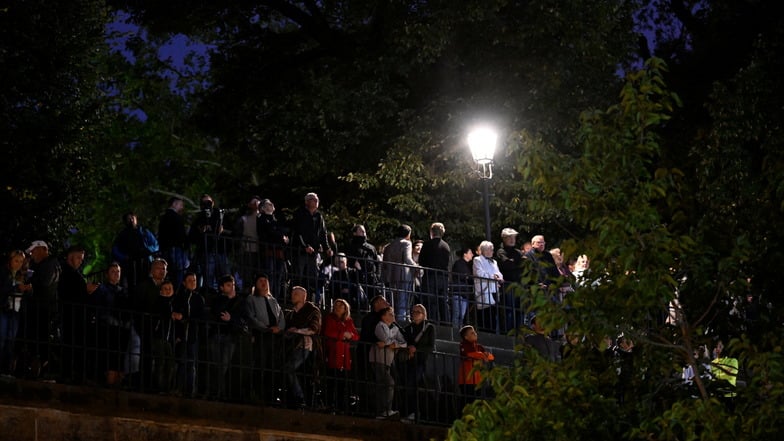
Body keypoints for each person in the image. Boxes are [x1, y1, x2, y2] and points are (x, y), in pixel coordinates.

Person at [57, 244, 100, 383]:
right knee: (72, 345)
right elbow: (69, 294)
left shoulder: (73, 273)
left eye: (82, 259)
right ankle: (69, 375)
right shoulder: (67, 273)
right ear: (71, 257)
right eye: (79, 258)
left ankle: (72, 374)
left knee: (76, 345)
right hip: (72, 316)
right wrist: (86, 291)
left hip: (77, 316)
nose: (81, 261)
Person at [245, 273, 285, 403]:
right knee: (260, 364)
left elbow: (281, 317)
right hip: (261, 335)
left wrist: (279, 328)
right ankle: (257, 394)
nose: (263, 283)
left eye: (265, 280)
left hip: (274, 337)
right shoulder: (251, 299)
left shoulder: (273, 300)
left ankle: (271, 396)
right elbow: (251, 317)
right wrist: (265, 328)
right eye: (260, 280)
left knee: (272, 366)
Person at [90, 262, 132, 386]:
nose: (116, 274)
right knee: (108, 357)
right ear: (107, 274)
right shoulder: (102, 289)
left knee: (119, 358)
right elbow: (97, 306)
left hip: (121, 329)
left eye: (118, 272)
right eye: (113, 271)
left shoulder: (123, 291)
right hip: (106, 328)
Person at [23, 240, 61, 380]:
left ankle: (41, 369)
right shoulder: (44, 265)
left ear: (43, 249)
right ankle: (38, 368)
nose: (32, 254)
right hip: (40, 308)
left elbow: (44, 283)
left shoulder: (51, 264)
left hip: (44, 309)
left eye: (34, 251)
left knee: (41, 340)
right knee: (37, 340)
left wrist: (31, 283)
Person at [208, 274, 249, 400]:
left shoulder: (241, 302)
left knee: (223, 365)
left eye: (232, 285)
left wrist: (231, 319)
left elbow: (243, 319)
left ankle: (219, 393)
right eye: (228, 285)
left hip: (230, 336)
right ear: (221, 287)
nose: (231, 287)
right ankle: (218, 392)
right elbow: (217, 313)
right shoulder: (218, 300)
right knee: (216, 365)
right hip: (217, 334)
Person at [283, 286, 321, 408]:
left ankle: (300, 398)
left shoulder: (312, 311)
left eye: (296, 294)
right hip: (292, 346)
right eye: (293, 293)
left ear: (304, 297)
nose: (293, 296)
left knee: (290, 368)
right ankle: (294, 399)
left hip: (305, 345)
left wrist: (297, 331)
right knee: (290, 370)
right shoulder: (290, 314)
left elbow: (313, 329)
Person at [290, 193, 333, 300]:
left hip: (313, 252)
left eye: (317, 199)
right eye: (313, 199)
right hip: (300, 250)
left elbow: (322, 233)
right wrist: (305, 246)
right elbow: (297, 232)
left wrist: (327, 247)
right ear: (307, 201)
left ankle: (308, 299)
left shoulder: (319, 216)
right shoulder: (300, 213)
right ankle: (294, 297)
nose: (316, 201)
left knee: (312, 276)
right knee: (298, 275)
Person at [172, 272, 205, 397]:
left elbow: (200, 317)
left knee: (191, 363)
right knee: (180, 361)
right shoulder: (179, 297)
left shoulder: (198, 298)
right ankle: (178, 388)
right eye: (190, 280)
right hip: (181, 335)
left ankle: (189, 391)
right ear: (184, 283)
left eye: (194, 280)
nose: (193, 282)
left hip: (192, 335)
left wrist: (185, 317)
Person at [400, 303, 435, 423]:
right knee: (408, 385)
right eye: (413, 311)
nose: (414, 314)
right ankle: (410, 412)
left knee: (413, 385)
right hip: (408, 361)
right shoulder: (408, 328)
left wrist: (417, 349)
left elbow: (430, 346)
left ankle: (414, 413)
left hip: (420, 361)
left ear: (424, 315)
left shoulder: (429, 328)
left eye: (418, 312)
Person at [370, 305, 407, 419]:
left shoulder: (395, 328)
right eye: (390, 314)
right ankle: (384, 410)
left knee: (384, 385)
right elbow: (384, 339)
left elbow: (404, 343)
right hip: (378, 358)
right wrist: (393, 343)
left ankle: (383, 411)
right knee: (388, 382)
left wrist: (394, 344)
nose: (393, 316)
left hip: (388, 360)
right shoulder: (380, 326)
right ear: (384, 317)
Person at [322, 298, 359, 411]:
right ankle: (329, 405)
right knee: (331, 380)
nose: (337, 307)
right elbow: (328, 332)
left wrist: (350, 336)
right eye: (336, 305)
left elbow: (356, 336)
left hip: (344, 354)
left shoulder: (348, 321)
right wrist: (343, 334)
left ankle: (340, 406)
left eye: (340, 306)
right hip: (333, 351)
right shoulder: (329, 318)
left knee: (343, 383)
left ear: (345, 308)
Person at [0, 250, 31, 376]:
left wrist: (27, 290)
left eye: (21, 261)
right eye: (16, 261)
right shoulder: (3, 273)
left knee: (11, 341)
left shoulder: (22, 276)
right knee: (2, 339)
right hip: (4, 309)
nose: (18, 264)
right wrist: (16, 288)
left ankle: (6, 369)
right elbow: (3, 290)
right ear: (10, 260)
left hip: (16, 311)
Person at [189, 194, 227, 290]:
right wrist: (201, 230)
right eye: (204, 203)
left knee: (224, 277)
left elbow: (231, 231)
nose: (207, 205)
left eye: (209, 202)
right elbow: (192, 236)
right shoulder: (199, 218)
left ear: (213, 203)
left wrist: (222, 230)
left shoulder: (220, 215)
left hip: (220, 251)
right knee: (208, 278)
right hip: (206, 252)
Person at [112, 212, 158, 290]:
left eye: (132, 217)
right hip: (130, 264)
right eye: (128, 219)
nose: (131, 220)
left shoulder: (144, 231)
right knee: (133, 285)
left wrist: (149, 250)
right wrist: (124, 257)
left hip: (146, 262)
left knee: (147, 282)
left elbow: (155, 245)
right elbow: (115, 250)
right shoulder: (122, 235)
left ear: (136, 219)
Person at [382, 224, 417, 323]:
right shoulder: (406, 243)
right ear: (408, 234)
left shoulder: (388, 246)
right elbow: (407, 259)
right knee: (403, 303)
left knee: (393, 302)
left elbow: (385, 262)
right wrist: (417, 266)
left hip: (391, 277)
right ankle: (402, 323)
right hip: (403, 276)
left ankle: (393, 321)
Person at [418, 222, 451, 324]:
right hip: (443, 277)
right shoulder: (446, 246)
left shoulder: (427, 245)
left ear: (431, 232)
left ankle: (432, 322)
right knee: (443, 302)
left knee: (430, 301)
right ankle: (446, 323)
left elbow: (421, 261)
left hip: (430, 276)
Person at [257, 198, 289, 301]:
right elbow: (270, 231)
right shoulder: (261, 218)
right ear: (262, 208)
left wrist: (281, 235)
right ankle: (269, 294)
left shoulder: (276, 219)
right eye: (268, 204)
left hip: (278, 250)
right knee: (269, 274)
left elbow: (282, 230)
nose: (271, 205)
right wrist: (281, 236)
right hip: (269, 250)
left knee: (279, 275)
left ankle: (276, 296)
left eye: (271, 203)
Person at [496, 228, 525, 333]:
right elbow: (507, 265)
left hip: (519, 285)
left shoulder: (518, 252)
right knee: (509, 309)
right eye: (509, 237)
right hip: (508, 285)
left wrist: (514, 263)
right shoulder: (501, 252)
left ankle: (519, 332)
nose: (512, 240)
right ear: (504, 239)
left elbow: (525, 265)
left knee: (520, 310)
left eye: (514, 237)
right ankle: (509, 332)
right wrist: (517, 264)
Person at [458, 325, 494, 405]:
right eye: (472, 333)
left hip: (478, 380)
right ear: (466, 337)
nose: (475, 334)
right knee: (467, 402)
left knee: (477, 403)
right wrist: (482, 355)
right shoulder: (463, 345)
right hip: (467, 380)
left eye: (474, 332)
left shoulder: (479, 347)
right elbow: (469, 354)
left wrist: (482, 355)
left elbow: (491, 357)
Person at [344, 224, 381, 304]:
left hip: (371, 276)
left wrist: (377, 274)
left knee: (375, 297)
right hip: (358, 276)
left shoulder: (371, 247)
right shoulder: (351, 246)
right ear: (355, 233)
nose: (364, 232)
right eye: (361, 231)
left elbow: (376, 261)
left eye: (364, 230)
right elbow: (349, 261)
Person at [151, 280, 177, 393]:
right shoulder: (159, 302)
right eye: (165, 289)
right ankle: (159, 388)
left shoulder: (174, 303)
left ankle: (166, 388)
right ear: (161, 290)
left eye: (169, 288)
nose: (168, 291)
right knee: (160, 363)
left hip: (169, 338)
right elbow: (160, 314)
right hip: (159, 336)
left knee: (170, 364)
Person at [158, 197, 190, 288]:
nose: (182, 207)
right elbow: (181, 234)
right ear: (174, 204)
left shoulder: (164, 217)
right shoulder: (176, 217)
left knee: (169, 271)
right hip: (176, 248)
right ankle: (178, 290)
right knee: (179, 271)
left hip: (166, 248)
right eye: (181, 205)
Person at [473, 241, 503, 333]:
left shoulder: (494, 261)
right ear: (485, 250)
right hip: (484, 291)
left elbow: (499, 273)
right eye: (491, 250)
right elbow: (479, 273)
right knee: (485, 316)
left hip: (494, 290)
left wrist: (499, 278)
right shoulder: (477, 260)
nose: (492, 252)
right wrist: (492, 276)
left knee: (493, 315)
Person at [233, 196, 262, 293]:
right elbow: (238, 234)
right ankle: (247, 290)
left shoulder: (262, 218)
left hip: (259, 250)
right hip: (247, 249)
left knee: (255, 272)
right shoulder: (244, 219)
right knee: (247, 272)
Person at [450, 247, 474, 329]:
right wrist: (468, 277)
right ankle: (455, 331)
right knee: (457, 314)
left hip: (464, 293)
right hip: (458, 291)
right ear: (465, 254)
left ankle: (459, 330)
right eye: (470, 253)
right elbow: (462, 276)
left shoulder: (467, 266)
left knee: (461, 315)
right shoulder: (459, 263)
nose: (472, 255)